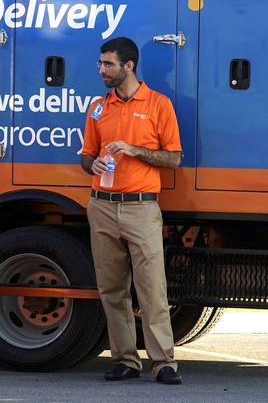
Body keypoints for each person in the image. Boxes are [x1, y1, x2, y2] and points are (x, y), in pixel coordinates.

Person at [80, 36, 183, 385]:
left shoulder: (158, 104)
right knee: (111, 288)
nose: (101, 70)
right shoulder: (98, 107)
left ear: (129, 66)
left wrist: (136, 150)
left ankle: (163, 363)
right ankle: (125, 360)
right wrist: (89, 164)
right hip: (102, 206)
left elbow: (174, 158)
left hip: (141, 208)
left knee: (152, 288)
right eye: (100, 63)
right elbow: (86, 154)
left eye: (107, 64)